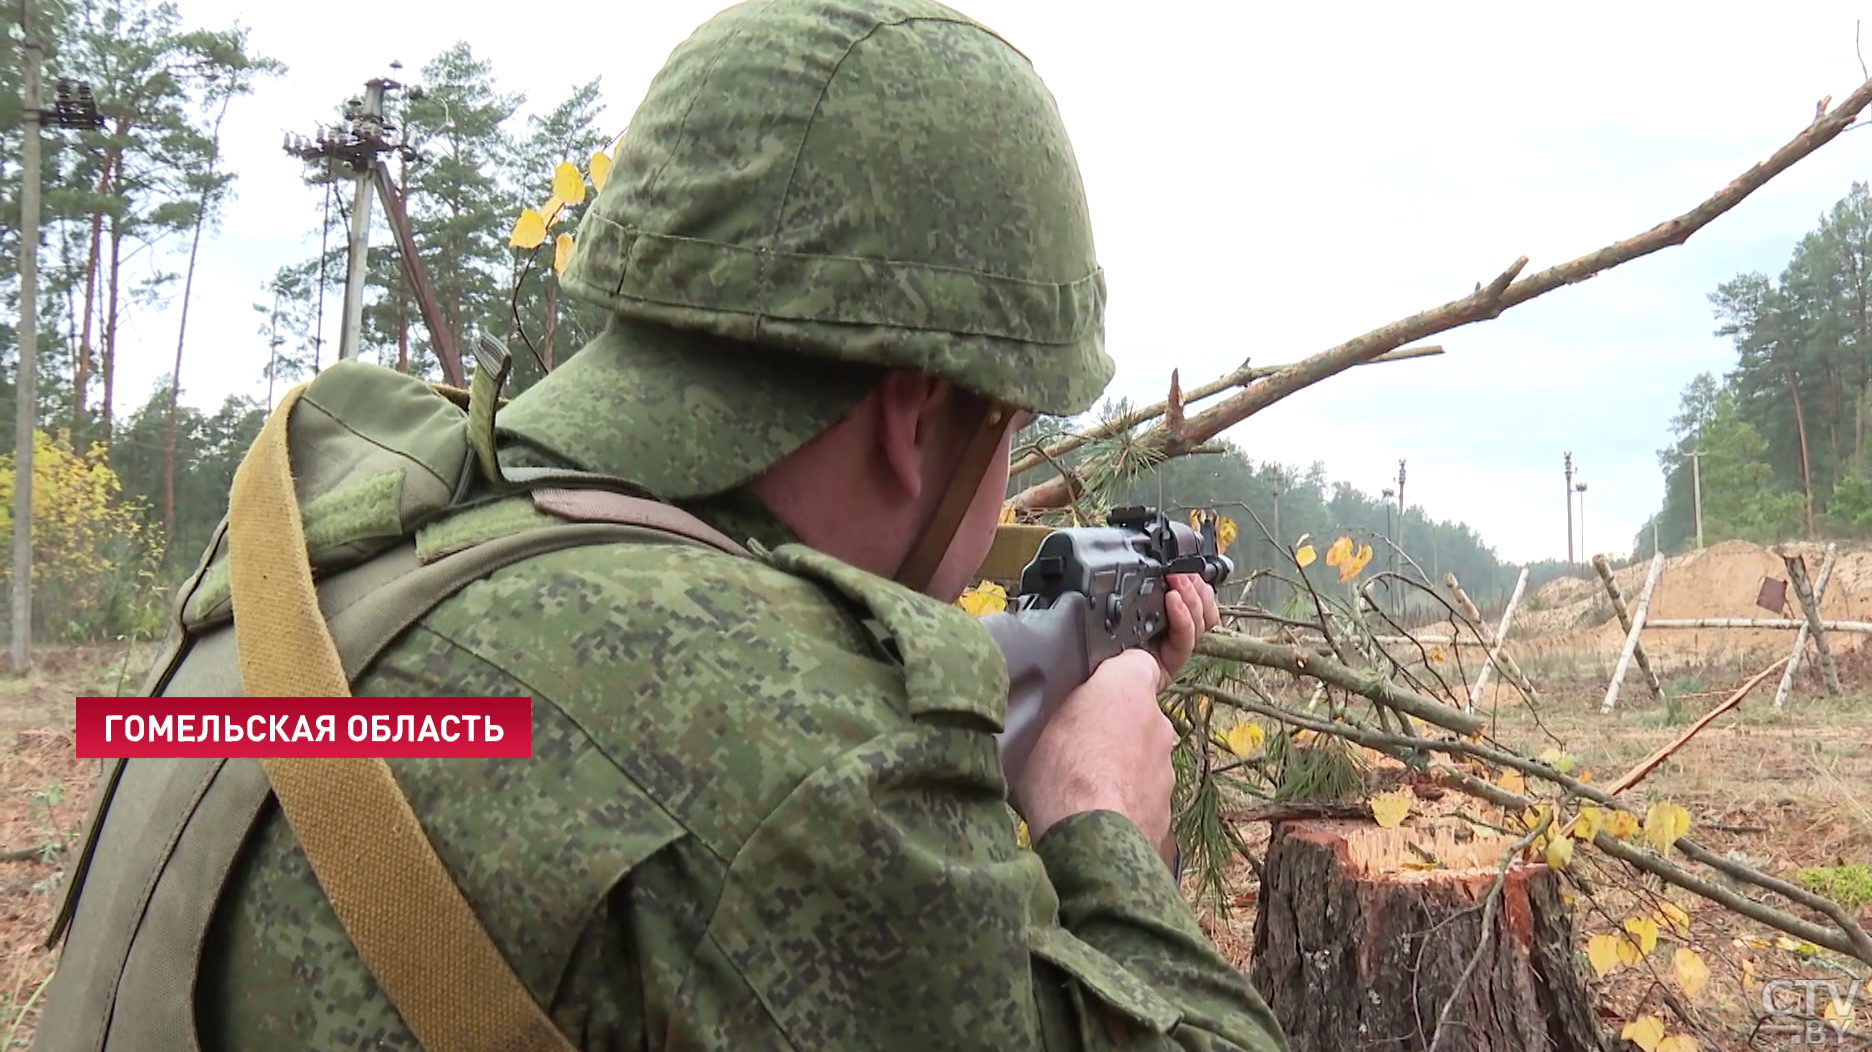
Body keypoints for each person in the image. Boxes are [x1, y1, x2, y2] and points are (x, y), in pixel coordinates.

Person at [33, 1, 1292, 1049]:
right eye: (1008, 424)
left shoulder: (335, 532)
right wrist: (1102, 826)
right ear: (915, 414)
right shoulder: (795, 753)